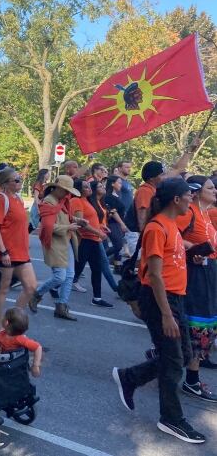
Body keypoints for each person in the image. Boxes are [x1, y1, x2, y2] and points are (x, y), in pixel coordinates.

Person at [112, 178, 205, 444]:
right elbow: (153, 275)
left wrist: (190, 255)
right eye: (189, 195)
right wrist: (166, 314)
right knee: (173, 362)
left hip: (175, 298)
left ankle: (129, 377)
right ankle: (171, 419)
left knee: (184, 354)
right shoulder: (156, 227)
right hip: (159, 300)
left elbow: (169, 261)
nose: (191, 199)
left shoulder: (172, 225)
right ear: (176, 199)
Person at [177, 175, 217, 402]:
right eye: (210, 188)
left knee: (205, 328)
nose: (215, 191)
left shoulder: (204, 214)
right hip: (195, 277)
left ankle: (161, 356)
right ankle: (191, 380)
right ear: (197, 191)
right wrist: (192, 247)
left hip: (209, 274)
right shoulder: (190, 212)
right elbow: (172, 235)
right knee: (198, 329)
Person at [0, 167, 38, 331]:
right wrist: (3, 251)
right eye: (16, 180)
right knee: (3, 289)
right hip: (5, 253)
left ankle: (13, 322)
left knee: (31, 287)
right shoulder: (1, 199)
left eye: (20, 179)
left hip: (21, 252)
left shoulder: (18, 199)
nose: (20, 182)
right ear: (5, 184)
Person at [29, 175, 82, 321]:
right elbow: (47, 226)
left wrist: (77, 220)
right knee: (60, 277)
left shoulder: (63, 201)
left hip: (66, 241)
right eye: (65, 190)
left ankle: (61, 306)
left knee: (69, 276)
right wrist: (68, 227)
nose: (67, 194)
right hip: (54, 243)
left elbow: (65, 217)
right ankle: (37, 294)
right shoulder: (48, 202)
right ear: (57, 188)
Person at [72, 180, 119, 308]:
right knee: (76, 268)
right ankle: (54, 287)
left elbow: (92, 220)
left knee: (96, 269)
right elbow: (82, 223)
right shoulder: (77, 201)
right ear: (79, 190)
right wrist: (98, 232)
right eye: (85, 186)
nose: (89, 188)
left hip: (94, 239)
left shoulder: (87, 200)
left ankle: (97, 298)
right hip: (86, 239)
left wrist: (101, 227)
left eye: (88, 186)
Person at [0, 307, 43, 377]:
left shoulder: (19, 339)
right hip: (4, 361)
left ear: (6, 322)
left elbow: (38, 347)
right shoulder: (1, 334)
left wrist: (35, 365)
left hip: (11, 366)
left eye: (4, 316)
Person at [104, 175, 130, 271]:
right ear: (112, 184)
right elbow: (113, 212)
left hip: (118, 223)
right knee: (118, 244)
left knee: (119, 245)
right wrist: (122, 224)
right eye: (119, 182)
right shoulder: (109, 196)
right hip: (112, 223)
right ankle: (101, 256)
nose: (121, 184)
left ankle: (117, 265)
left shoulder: (117, 196)